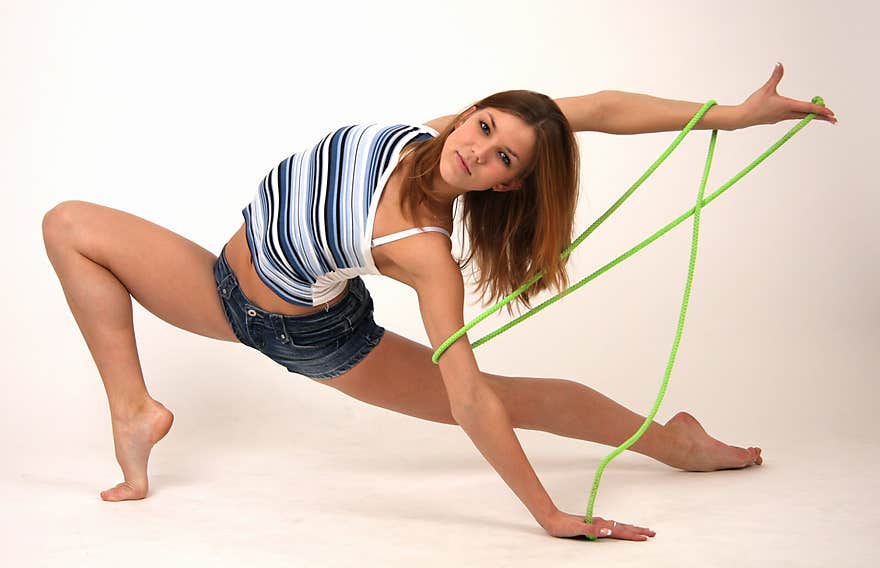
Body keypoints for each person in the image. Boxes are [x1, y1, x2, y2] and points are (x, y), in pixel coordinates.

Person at [41, 62, 836, 541]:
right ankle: (133, 410)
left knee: (513, 398)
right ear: (473, 111)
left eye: (500, 158)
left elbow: (470, 399)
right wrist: (730, 117)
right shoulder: (431, 133)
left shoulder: (425, 255)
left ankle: (677, 445)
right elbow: (592, 108)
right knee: (68, 225)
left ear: (506, 183)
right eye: (485, 127)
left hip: (311, 337)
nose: (477, 149)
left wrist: (548, 515)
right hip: (219, 289)